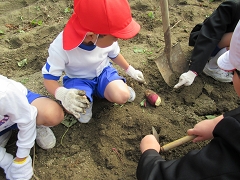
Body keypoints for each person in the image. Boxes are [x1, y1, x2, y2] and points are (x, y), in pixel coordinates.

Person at [136, 20, 240, 179]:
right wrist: (218, 123)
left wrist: (149, 154)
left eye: (233, 72)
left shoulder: (229, 162)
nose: (231, 76)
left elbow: (160, 177)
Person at [42, 0, 145, 123]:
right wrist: (63, 95)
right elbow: (49, 79)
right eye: (115, 37)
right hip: (79, 80)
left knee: (122, 95)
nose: (117, 39)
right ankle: (88, 98)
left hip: (103, 73)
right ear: (92, 35)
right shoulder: (60, 47)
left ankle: (112, 88)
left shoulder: (104, 33)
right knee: (78, 111)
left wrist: (130, 70)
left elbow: (114, 54)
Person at [0, 75, 64, 179]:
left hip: (22, 110)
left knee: (52, 114)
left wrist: (22, 158)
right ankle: (5, 133)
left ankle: (37, 124)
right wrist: (7, 163)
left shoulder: (4, 92)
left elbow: (27, 118)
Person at [174, 0, 240, 88]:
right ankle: (212, 66)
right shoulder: (234, 7)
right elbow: (209, 35)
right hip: (211, 43)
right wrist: (194, 70)